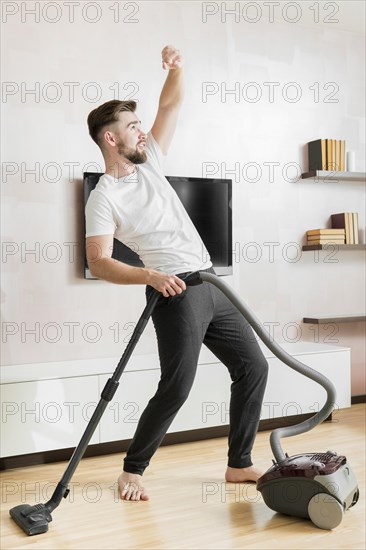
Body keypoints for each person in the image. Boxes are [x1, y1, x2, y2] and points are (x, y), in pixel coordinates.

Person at [85, 45, 269, 501]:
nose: (141, 131)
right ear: (111, 139)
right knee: (178, 385)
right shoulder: (104, 197)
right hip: (176, 291)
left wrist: (177, 68)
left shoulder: (155, 162)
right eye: (131, 127)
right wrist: (149, 277)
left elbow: (170, 104)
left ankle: (239, 463)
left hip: (210, 282)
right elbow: (99, 261)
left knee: (254, 366)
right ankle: (133, 469)